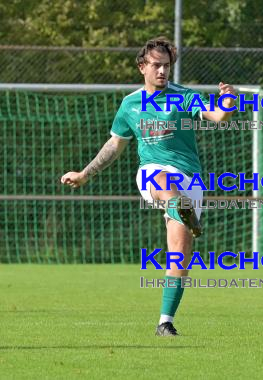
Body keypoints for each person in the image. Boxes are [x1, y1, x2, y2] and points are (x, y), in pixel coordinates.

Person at [61, 37, 236, 336]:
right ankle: (179, 206)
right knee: (163, 180)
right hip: (152, 173)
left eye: (166, 66)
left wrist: (228, 103)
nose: (162, 71)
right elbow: (116, 144)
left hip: (190, 178)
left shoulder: (184, 96)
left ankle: (164, 322)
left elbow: (217, 116)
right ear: (142, 67)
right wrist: (85, 174)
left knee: (179, 253)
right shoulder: (130, 104)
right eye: (156, 65)